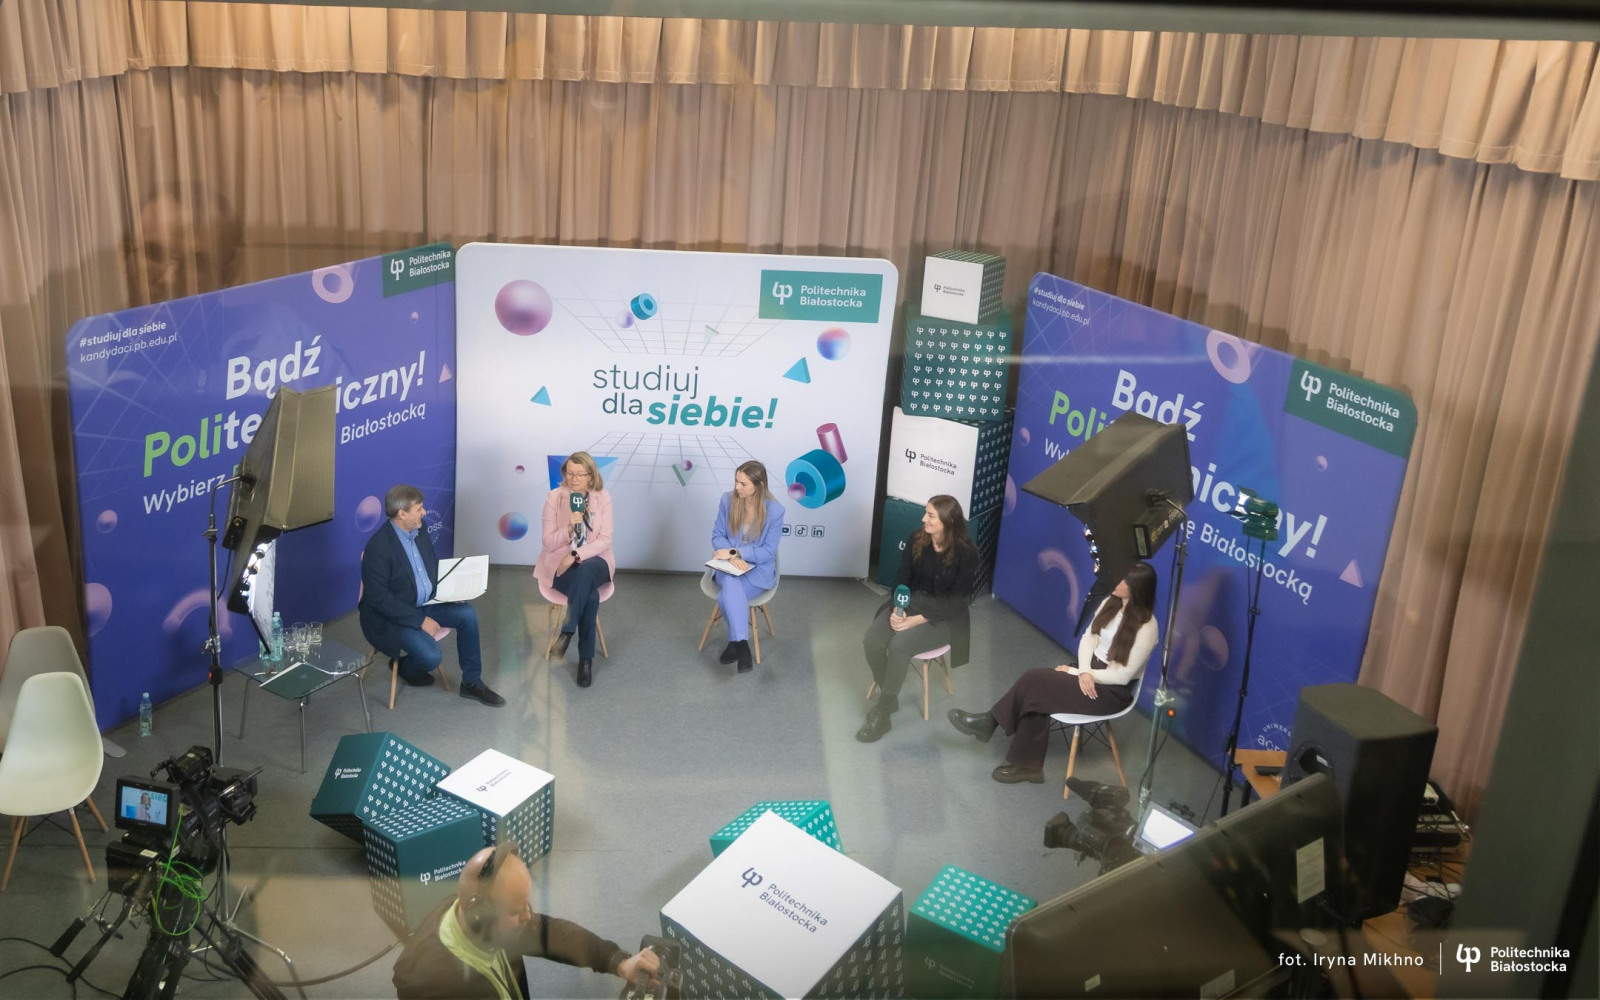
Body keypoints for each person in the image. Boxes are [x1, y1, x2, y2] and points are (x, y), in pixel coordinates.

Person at [948, 561, 1159, 783]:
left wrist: (1077, 673)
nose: (1116, 580)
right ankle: (1021, 760)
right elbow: (1088, 638)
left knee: (1035, 680)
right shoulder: (1110, 602)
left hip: (1111, 691)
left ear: (1137, 588)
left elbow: (1122, 676)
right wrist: (1083, 670)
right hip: (1090, 672)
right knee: (1038, 688)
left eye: (1124, 580)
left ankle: (993, 727)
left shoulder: (1147, 627)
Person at [392, 841, 660, 999]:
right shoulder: (441, 988)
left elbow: (552, 934)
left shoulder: (477, 919)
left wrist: (618, 961)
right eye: (516, 911)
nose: (528, 917)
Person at [359, 484, 505, 707]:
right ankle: (406, 668)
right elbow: (379, 599)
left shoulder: (420, 529)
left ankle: (471, 683)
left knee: (467, 614)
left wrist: (451, 591)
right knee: (431, 657)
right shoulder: (378, 548)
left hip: (424, 602)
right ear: (402, 514)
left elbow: (430, 566)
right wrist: (419, 620)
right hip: (392, 617)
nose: (424, 512)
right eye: (419, 509)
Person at [857, 495, 978, 743]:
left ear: (948, 521)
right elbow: (902, 578)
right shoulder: (917, 539)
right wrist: (898, 610)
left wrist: (915, 621)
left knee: (899, 646)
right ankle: (889, 696)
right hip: (909, 603)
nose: (924, 519)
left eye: (931, 515)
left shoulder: (967, 554)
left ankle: (883, 711)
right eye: (926, 513)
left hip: (944, 617)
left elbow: (957, 602)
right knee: (872, 641)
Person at [535, 452, 615, 689]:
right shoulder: (554, 497)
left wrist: (575, 555)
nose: (574, 479)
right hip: (560, 565)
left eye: (580, 474)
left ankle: (567, 630)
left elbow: (605, 540)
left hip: (596, 561)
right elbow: (548, 543)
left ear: (591, 475)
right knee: (589, 596)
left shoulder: (603, 497)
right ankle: (585, 661)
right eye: (570, 473)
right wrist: (569, 528)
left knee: (586, 569)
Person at [708, 460, 784, 674]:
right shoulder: (727, 500)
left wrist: (736, 552)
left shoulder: (775, 511)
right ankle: (743, 645)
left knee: (726, 595)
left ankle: (735, 642)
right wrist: (732, 558)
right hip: (728, 567)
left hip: (758, 571)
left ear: (759, 485)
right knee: (731, 581)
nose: (737, 487)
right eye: (736, 481)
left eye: (743, 484)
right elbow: (717, 535)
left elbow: (768, 551)